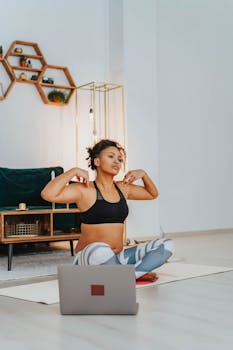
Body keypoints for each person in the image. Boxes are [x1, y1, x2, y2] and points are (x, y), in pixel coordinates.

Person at [41, 139, 175, 282]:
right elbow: (48, 194)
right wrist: (72, 171)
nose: (117, 161)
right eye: (111, 156)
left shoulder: (123, 188)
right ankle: (131, 273)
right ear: (97, 162)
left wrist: (143, 174)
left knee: (167, 244)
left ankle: (129, 274)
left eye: (120, 159)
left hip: (118, 257)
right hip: (90, 257)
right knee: (100, 249)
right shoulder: (85, 189)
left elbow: (152, 194)